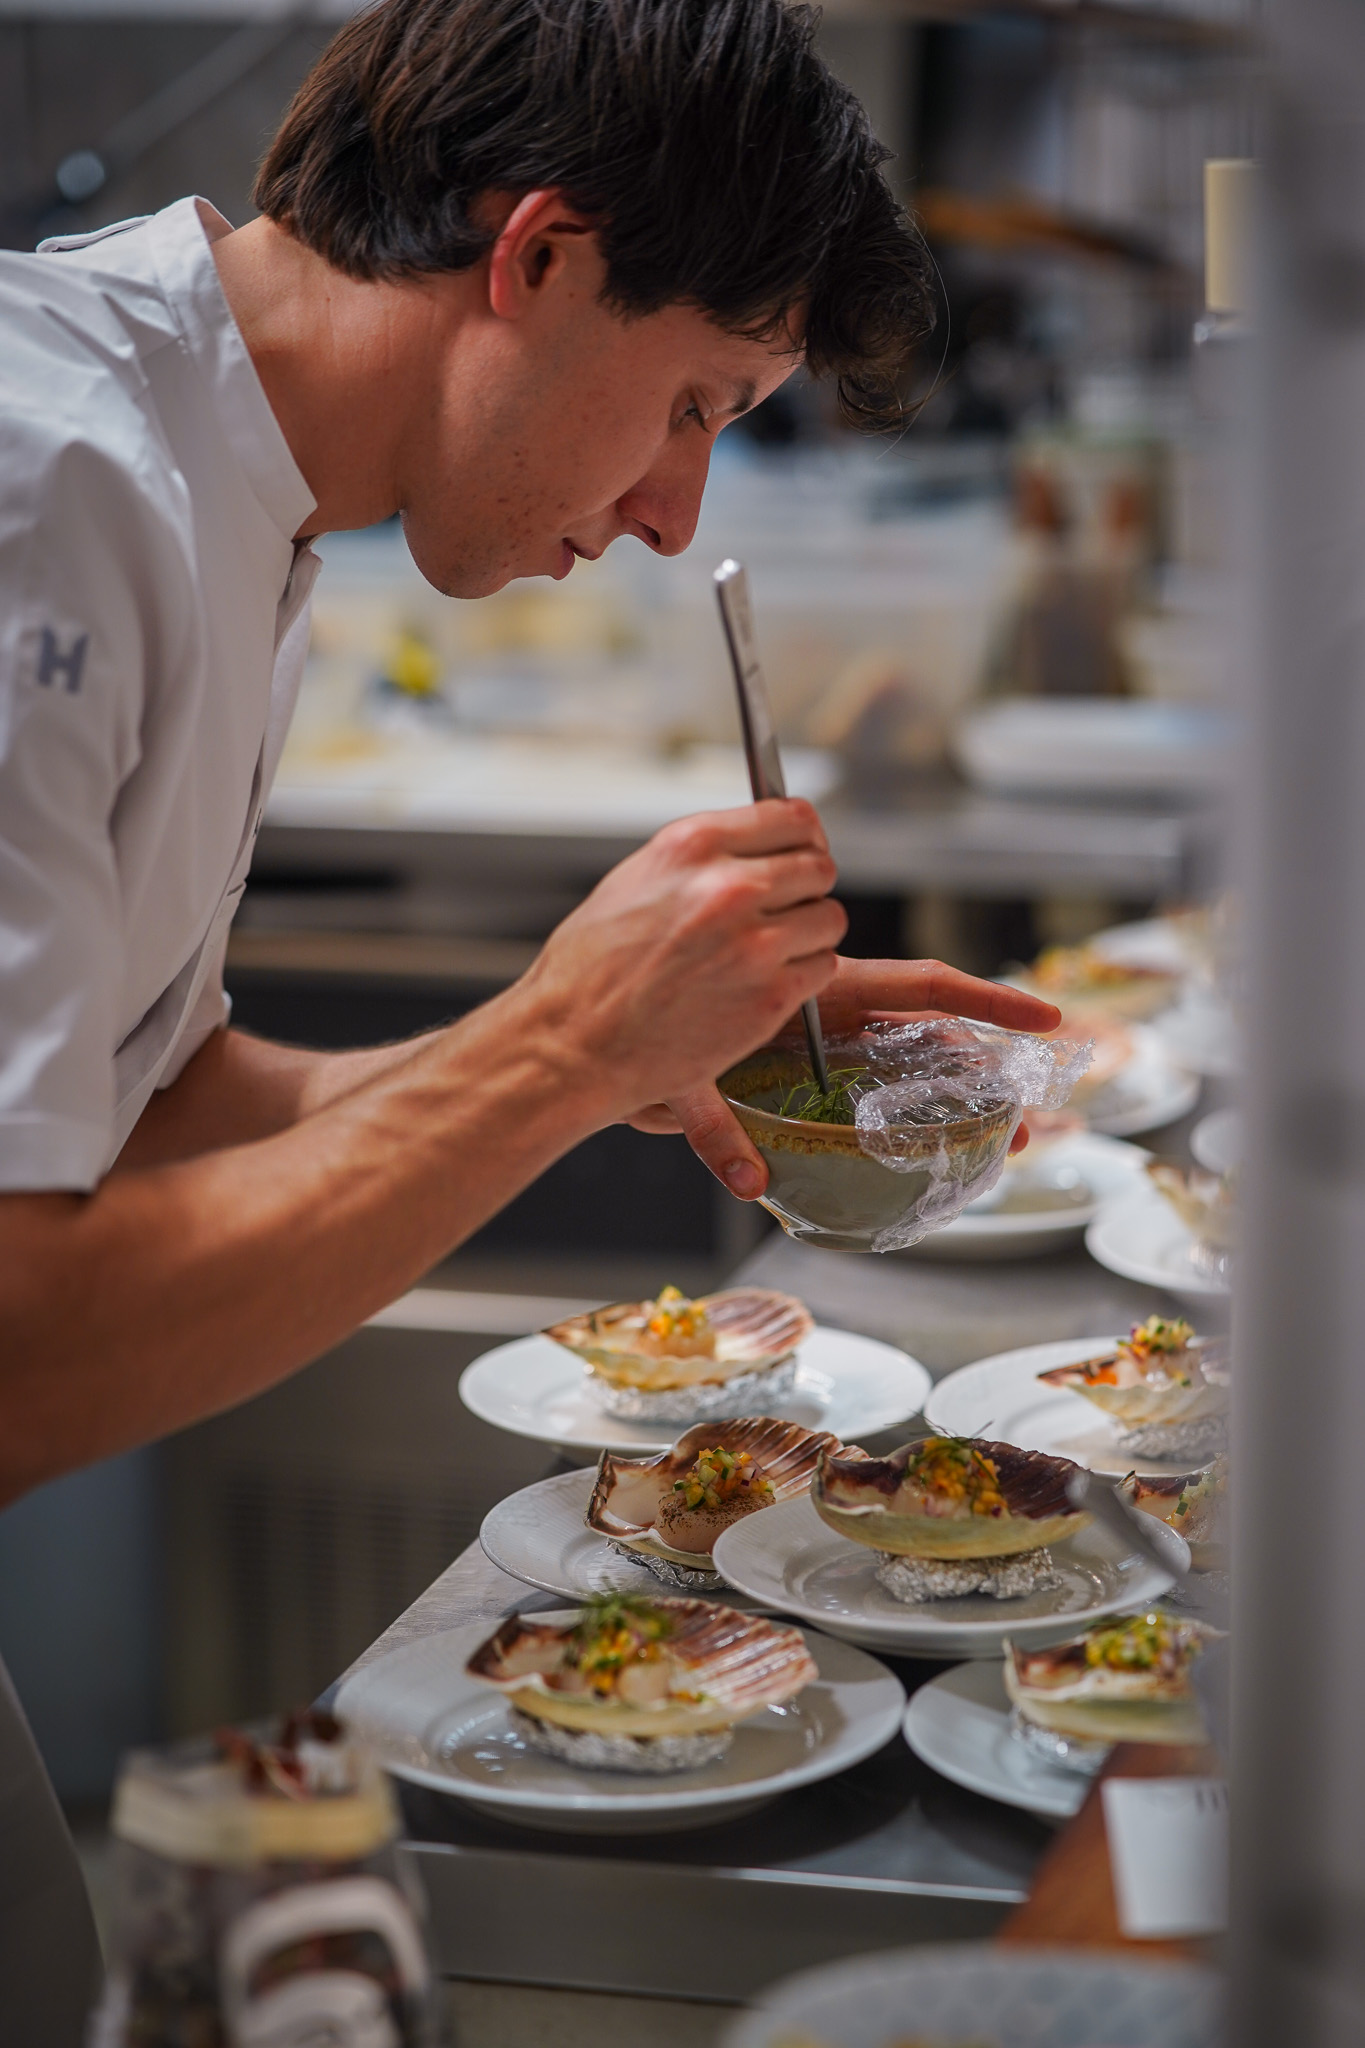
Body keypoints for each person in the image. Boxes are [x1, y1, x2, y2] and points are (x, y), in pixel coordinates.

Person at [0, 0, 1057, 2023]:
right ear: (540, 255)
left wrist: (619, 1060)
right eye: (692, 402)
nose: (675, 516)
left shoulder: (243, 480)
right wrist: (553, 1045)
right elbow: (22, 1349)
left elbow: (139, 1105)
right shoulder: (49, 480)